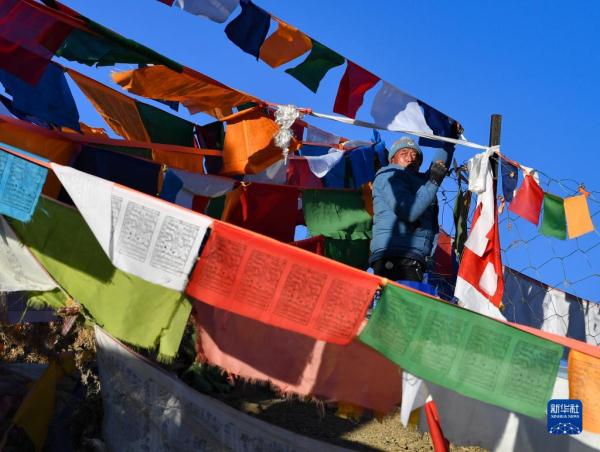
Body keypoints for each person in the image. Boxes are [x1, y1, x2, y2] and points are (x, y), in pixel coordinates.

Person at [369, 125, 462, 282]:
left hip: (413, 258)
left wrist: (450, 136)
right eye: (403, 153)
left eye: (415, 155)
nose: (410, 157)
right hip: (395, 256)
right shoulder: (390, 176)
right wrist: (433, 181)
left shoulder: (420, 183)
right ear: (393, 160)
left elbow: (439, 163)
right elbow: (408, 210)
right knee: (398, 306)